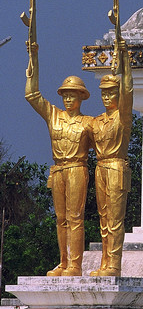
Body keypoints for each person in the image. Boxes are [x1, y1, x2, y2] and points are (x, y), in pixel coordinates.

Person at [25, 45, 92, 277]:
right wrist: (33, 57)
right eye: (65, 95)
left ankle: (75, 264)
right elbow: (31, 95)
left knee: (75, 217)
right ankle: (63, 262)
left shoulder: (88, 123)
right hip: (58, 170)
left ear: (81, 97)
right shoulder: (54, 115)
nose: (68, 99)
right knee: (61, 218)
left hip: (77, 168)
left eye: (72, 94)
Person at [90, 38, 133, 277]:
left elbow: (129, 90)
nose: (107, 97)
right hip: (101, 168)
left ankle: (114, 264)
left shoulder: (122, 117)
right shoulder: (97, 121)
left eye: (111, 93)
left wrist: (125, 60)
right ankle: (105, 262)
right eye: (104, 93)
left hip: (117, 166)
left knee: (115, 219)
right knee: (104, 217)